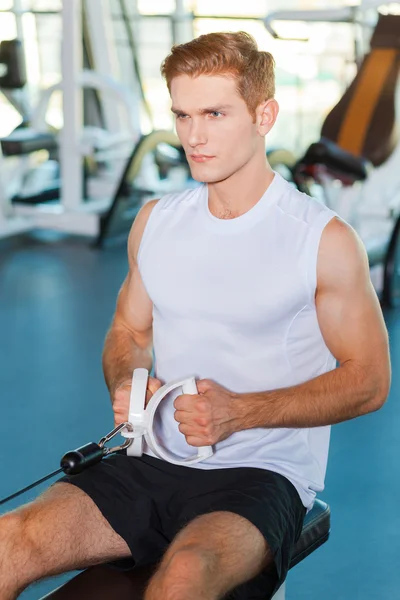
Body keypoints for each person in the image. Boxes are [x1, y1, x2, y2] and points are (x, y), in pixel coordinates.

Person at [0, 31, 391, 600]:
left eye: (215, 113)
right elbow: (128, 331)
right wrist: (128, 382)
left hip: (263, 474)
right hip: (152, 457)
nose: (194, 136)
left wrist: (240, 413)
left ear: (265, 115)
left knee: (183, 579)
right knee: (10, 540)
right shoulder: (156, 221)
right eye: (182, 115)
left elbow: (370, 380)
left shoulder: (322, 240)